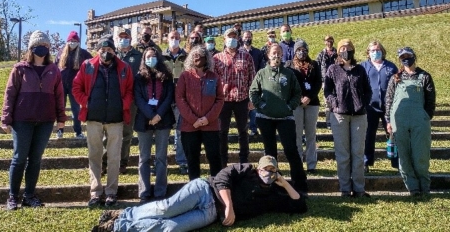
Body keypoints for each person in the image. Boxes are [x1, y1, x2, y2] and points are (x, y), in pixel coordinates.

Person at [91, 155, 307, 232]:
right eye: (265, 169)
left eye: (272, 171)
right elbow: (222, 177)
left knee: (170, 228)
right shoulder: (246, 171)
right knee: (165, 209)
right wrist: (229, 206)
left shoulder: (272, 195)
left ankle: (119, 226)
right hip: (204, 190)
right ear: (257, 168)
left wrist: (284, 183)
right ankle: (125, 215)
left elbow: (299, 205)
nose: (267, 174)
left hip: (211, 214)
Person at [1, 30, 66, 210]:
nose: (42, 48)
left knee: (35, 159)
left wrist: (61, 117)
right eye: (39, 45)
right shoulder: (19, 68)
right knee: (19, 158)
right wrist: (6, 118)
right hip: (22, 120)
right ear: (31, 48)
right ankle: (12, 197)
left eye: (45, 45)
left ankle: (29, 195)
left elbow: (59, 95)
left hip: (45, 121)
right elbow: (10, 94)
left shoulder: (54, 70)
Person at [73, 35, 134, 207]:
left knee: (114, 156)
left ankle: (111, 192)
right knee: (94, 155)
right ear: (97, 50)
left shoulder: (124, 68)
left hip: (116, 119)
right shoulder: (87, 66)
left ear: (114, 51)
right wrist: (86, 102)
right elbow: (76, 87)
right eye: (103, 50)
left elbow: (130, 89)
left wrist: (124, 104)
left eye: (109, 50)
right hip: (94, 119)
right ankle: (95, 192)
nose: (106, 53)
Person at [249, 43, 308, 193]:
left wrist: (290, 106)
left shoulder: (289, 73)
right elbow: (253, 92)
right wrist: (261, 105)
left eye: (279, 52)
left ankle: (300, 186)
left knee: (291, 151)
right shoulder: (262, 73)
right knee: (270, 153)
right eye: (274, 52)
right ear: (269, 55)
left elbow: (297, 93)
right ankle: (272, 186)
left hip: (285, 118)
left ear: (282, 55)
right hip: (265, 118)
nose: (276, 55)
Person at [385, 47, 436, 196]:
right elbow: (388, 100)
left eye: (408, 56)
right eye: (403, 57)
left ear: (414, 57)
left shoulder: (425, 76)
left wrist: (425, 116)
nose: (406, 59)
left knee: (421, 155)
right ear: (400, 60)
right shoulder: (395, 78)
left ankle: (424, 186)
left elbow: (430, 100)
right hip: (398, 122)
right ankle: (413, 187)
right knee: (404, 156)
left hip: (419, 121)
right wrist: (388, 120)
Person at [324, 39, 372, 197]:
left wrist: (363, 104)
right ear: (338, 51)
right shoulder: (332, 69)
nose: (346, 50)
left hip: (359, 116)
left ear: (353, 50)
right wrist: (335, 104)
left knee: (357, 153)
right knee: (342, 154)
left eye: (348, 47)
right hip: (340, 116)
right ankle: (345, 188)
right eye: (342, 48)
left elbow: (368, 90)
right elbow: (328, 91)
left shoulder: (360, 70)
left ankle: (359, 189)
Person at [175, 45, 224, 180]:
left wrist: (207, 119)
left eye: (201, 55)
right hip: (190, 127)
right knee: (192, 160)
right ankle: (195, 190)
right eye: (194, 55)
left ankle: (217, 189)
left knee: (214, 158)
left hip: (211, 126)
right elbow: (180, 98)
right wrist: (193, 119)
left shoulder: (214, 77)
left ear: (206, 58)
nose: (197, 57)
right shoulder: (185, 76)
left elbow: (220, 99)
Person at [133, 47, 175, 203]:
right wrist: (151, 115)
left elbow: (169, 97)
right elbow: (138, 98)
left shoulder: (166, 76)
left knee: (161, 157)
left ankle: (160, 191)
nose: (151, 58)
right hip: (144, 120)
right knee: (144, 158)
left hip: (163, 120)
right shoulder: (138, 78)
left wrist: (158, 115)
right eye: (148, 56)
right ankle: (144, 191)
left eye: (154, 56)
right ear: (144, 59)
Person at [213, 28, 255, 167]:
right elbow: (212, 81)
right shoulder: (216, 58)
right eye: (229, 37)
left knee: (243, 131)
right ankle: (222, 162)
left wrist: (251, 99)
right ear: (224, 39)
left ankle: (244, 160)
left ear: (238, 39)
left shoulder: (247, 57)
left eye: (234, 37)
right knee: (222, 132)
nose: (232, 39)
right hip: (223, 101)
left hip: (242, 99)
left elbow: (252, 79)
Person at [104, 28, 142, 175]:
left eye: (126, 37)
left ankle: (122, 162)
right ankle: (105, 162)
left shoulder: (138, 56)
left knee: (126, 133)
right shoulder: (112, 55)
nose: (123, 39)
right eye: (120, 37)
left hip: (131, 99)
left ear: (130, 38)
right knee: (108, 132)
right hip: (112, 99)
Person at [361, 41, 398, 172]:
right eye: (372, 50)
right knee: (368, 135)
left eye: (378, 50)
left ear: (382, 51)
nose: (375, 52)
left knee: (392, 134)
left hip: (388, 107)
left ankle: (396, 161)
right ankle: (366, 161)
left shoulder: (391, 67)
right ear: (368, 53)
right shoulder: (363, 66)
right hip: (370, 107)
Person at [285, 39, 322, 173]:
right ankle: (298, 163)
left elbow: (318, 83)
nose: (302, 52)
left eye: (304, 49)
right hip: (297, 104)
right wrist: (298, 97)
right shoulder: (289, 65)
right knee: (297, 134)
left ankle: (311, 165)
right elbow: (287, 83)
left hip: (312, 103)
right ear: (295, 51)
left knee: (311, 134)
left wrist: (309, 96)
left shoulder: (314, 64)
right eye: (299, 50)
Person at [55, 30, 92, 139]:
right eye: (70, 40)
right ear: (67, 41)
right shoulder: (61, 52)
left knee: (76, 110)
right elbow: (54, 66)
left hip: (75, 86)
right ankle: (60, 130)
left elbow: (93, 62)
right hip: (61, 85)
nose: (72, 42)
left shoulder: (83, 53)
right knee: (60, 108)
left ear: (78, 42)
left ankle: (78, 131)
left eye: (75, 41)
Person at [162, 30, 189, 175]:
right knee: (162, 133)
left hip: (181, 99)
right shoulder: (161, 57)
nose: (174, 40)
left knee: (180, 132)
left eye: (177, 38)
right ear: (167, 39)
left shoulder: (186, 57)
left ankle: (182, 162)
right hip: (164, 99)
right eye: (172, 37)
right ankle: (160, 162)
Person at [240, 30, 264, 137]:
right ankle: (243, 129)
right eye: (245, 37)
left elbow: (261, 68)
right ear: (242, 38)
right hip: (241, 85)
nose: (247, 39)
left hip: (254, 84)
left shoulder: (258, 52)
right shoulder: (238, 51)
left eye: (249, 37)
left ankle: (254, 129)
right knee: (243, 109)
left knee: (253, 108)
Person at [316, 35, 338, 129]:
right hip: (325, 81)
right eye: (327, 41)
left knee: (337, 101)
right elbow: (317, 66)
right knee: (327, 102)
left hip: (337, 80)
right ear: (324, 42)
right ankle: (328, 121)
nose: (329, 42)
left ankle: (337, 120)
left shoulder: (337, 53)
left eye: (330, 40)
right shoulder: (321, 54)